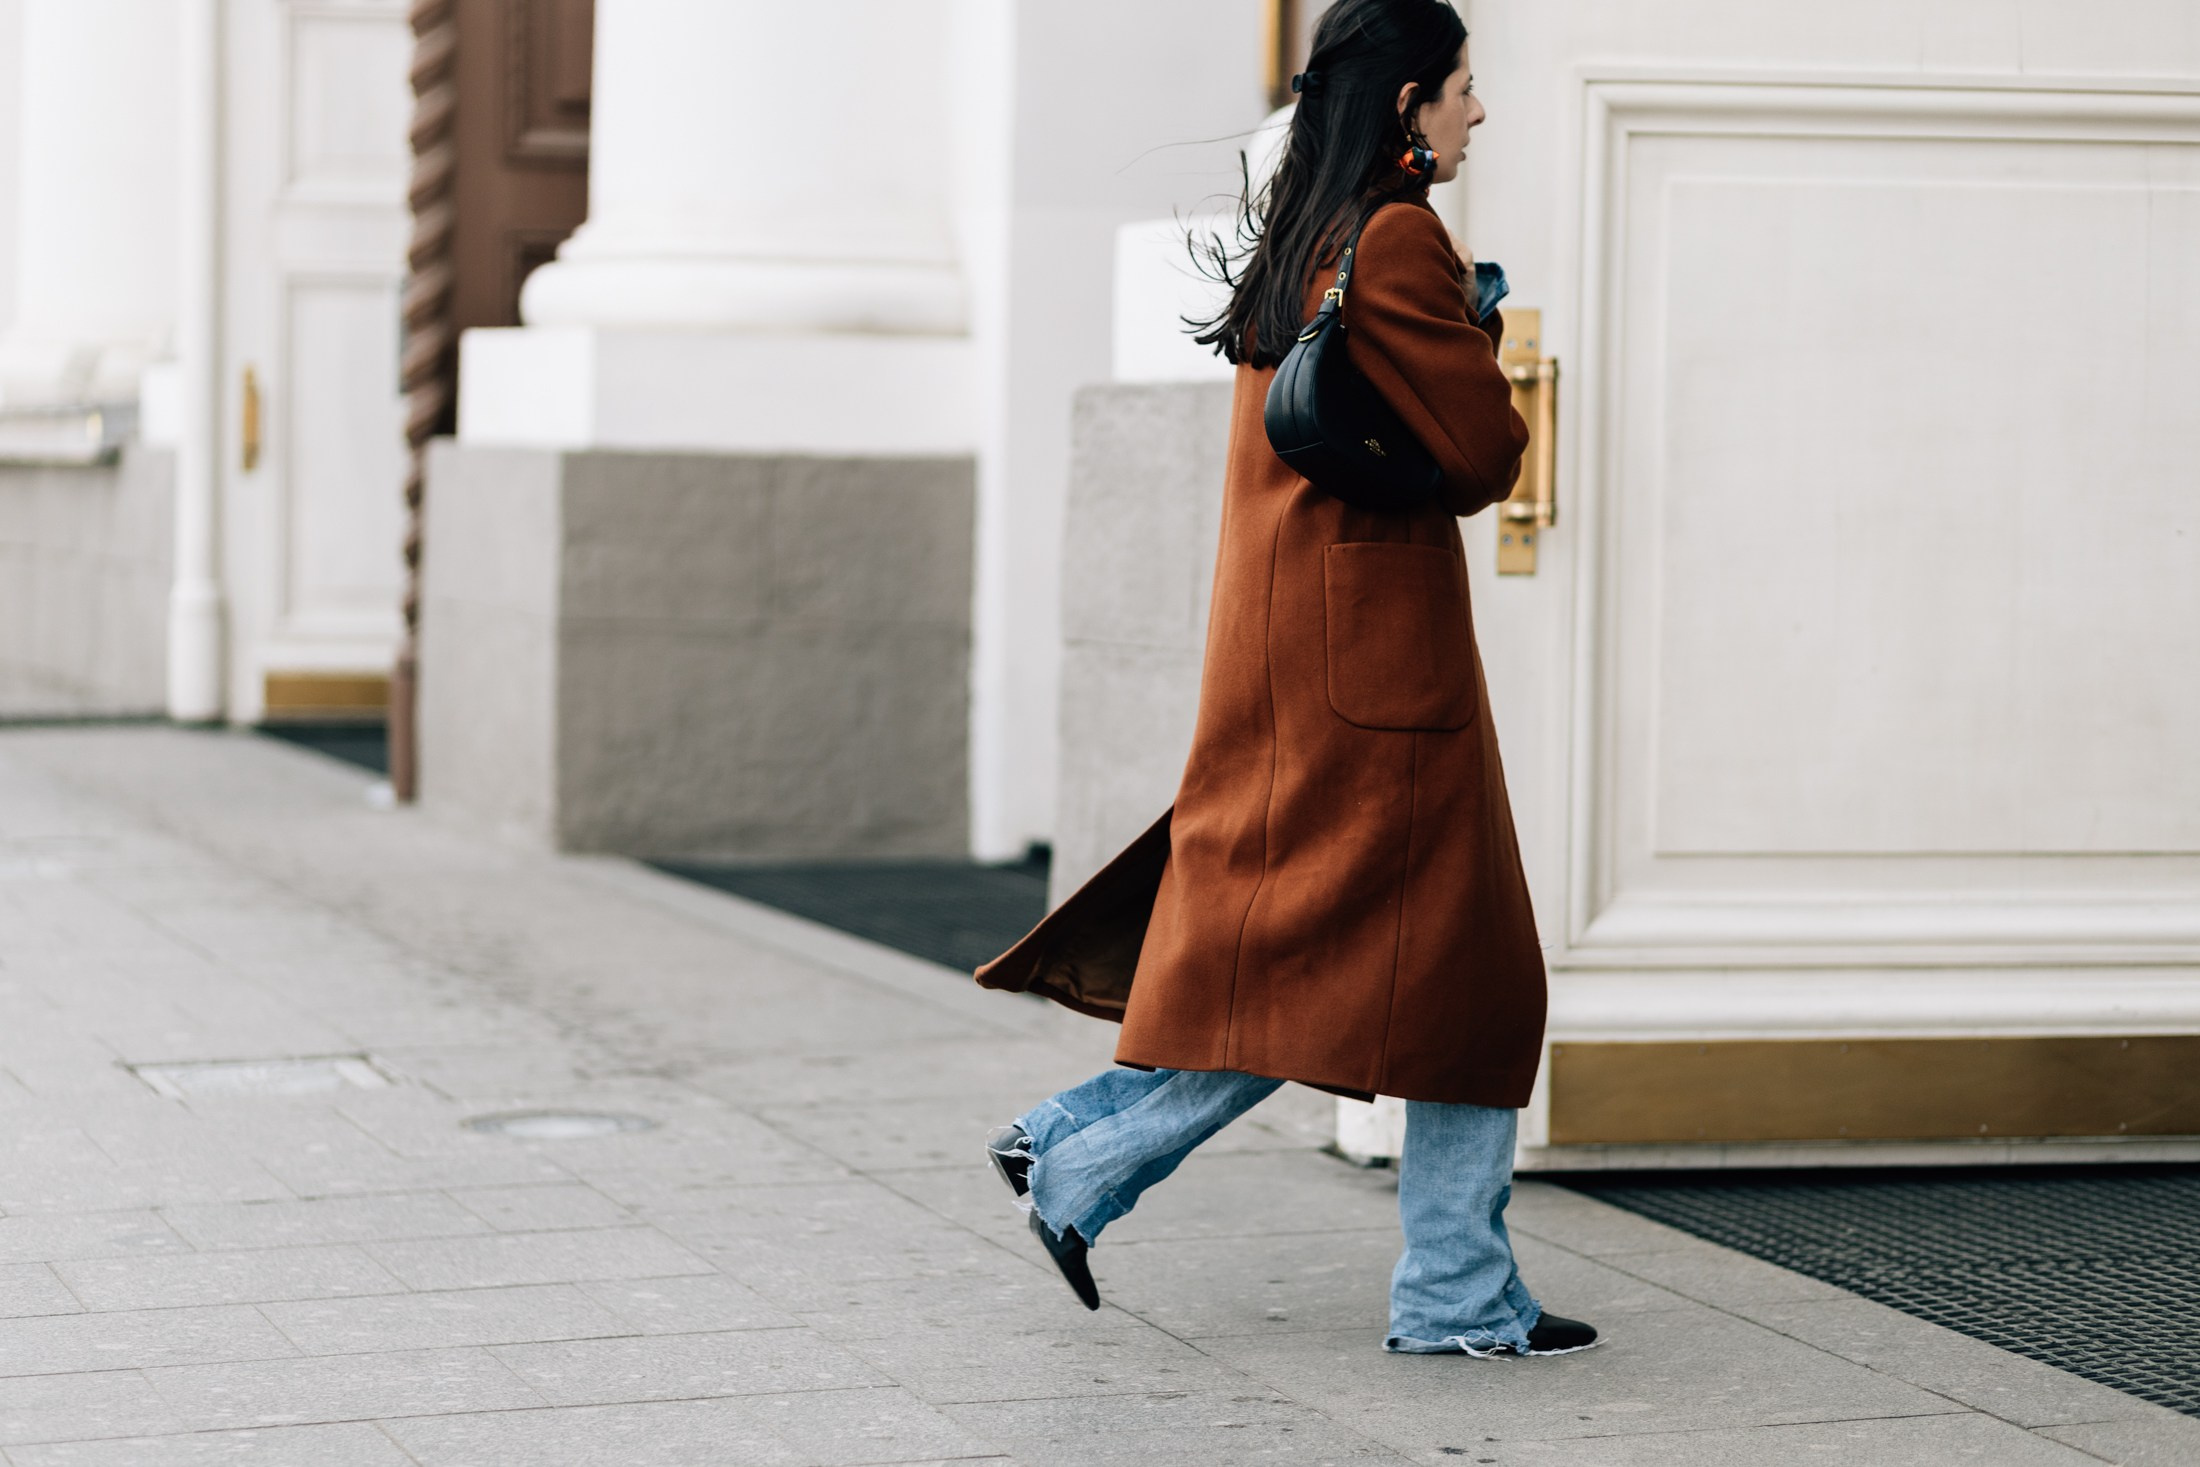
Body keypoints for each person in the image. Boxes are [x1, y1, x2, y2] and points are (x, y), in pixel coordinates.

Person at [971, 0, 1596, 1360]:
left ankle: (1434, 1280)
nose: (1479, 112)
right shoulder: (1400, 237)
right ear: (1408, 105)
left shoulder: (1303, 234)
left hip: (1295, 653)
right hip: (1379, 676)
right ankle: (1108, 1169)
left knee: (1352, 966)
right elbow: (1489, 457)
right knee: (1450, 981)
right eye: (1464, 88)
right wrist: (1481, 321)